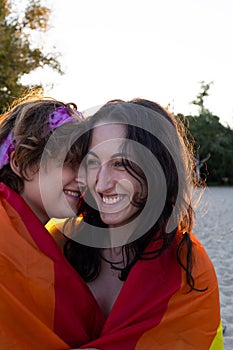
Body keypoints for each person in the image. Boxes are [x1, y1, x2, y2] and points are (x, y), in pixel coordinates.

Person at [61, 99, 224, 349]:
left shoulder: (191, 271)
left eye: (120, 163)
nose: (101, 184)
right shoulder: (59, 245)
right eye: (93, 162)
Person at [0, 93, 105, 350]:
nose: (83, 179)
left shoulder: (37, 236)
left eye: (86, 166)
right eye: (69, 162)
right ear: (20, 163)